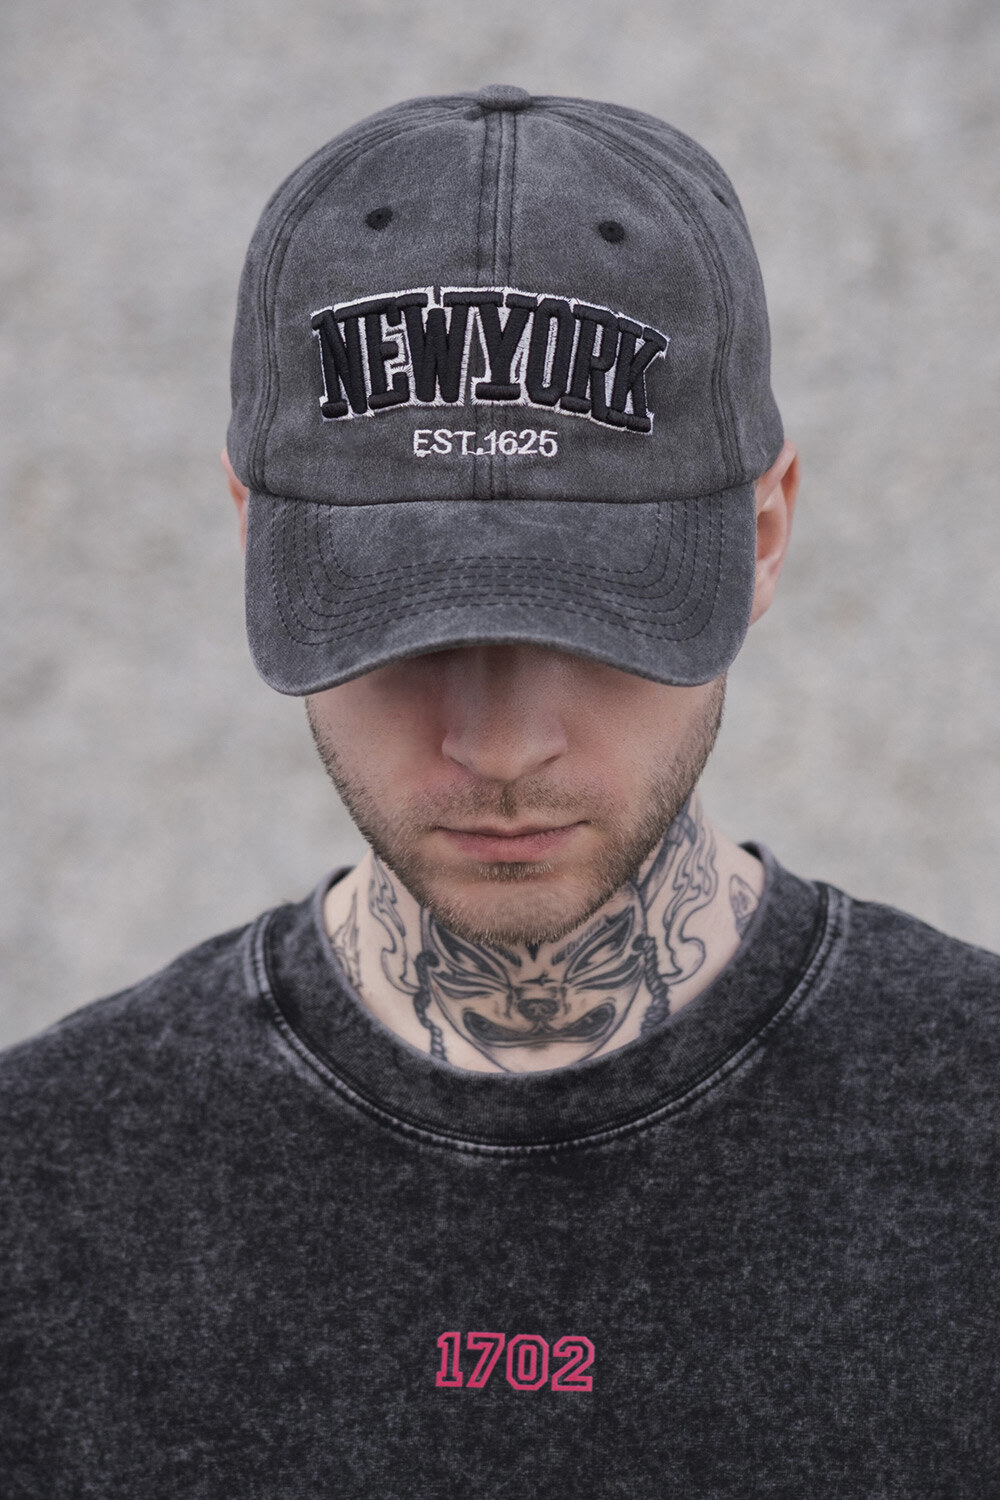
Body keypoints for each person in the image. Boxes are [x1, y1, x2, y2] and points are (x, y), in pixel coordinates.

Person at [1, 84, 997, 1496]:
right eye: (404, 628)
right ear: (251, 536)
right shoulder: (43, 1194)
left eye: (592, 623)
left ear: (764, 532)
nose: (500, 743)